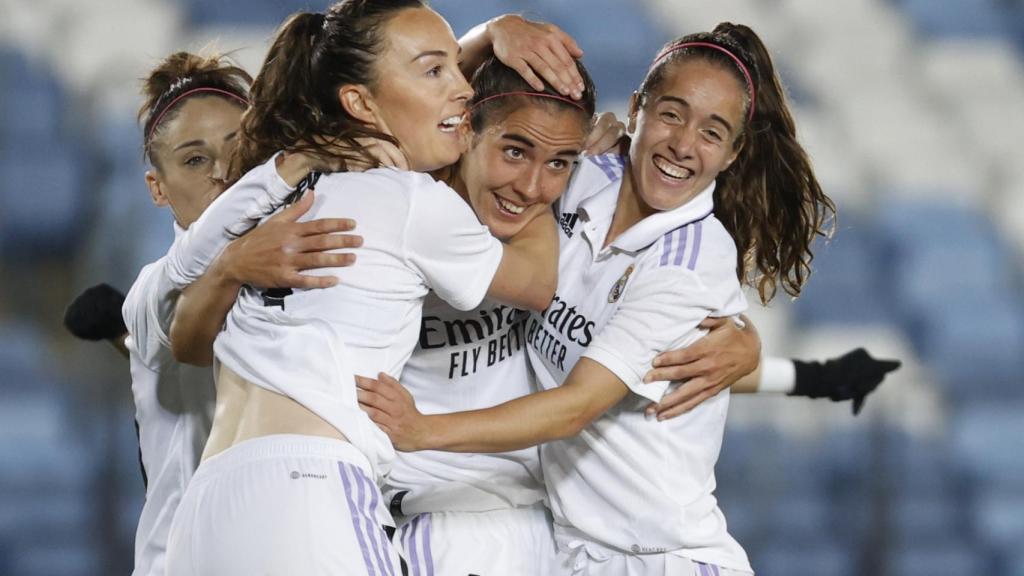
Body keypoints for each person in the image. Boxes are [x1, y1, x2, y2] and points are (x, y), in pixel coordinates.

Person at [359, 22, 838, 575]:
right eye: (671, 113)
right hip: (573, 549)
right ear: (635, 109)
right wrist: (488, 37)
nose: (682, 144)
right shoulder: (580, 172)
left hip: (662, 558)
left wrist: (422, 431)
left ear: (733, 154)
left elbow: (577, 406)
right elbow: (444, 122)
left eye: (712, 132)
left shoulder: (690, 263)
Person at [159, 2, 580, 574]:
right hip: (308, 487)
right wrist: (543, 180)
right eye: (436, 71)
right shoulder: (410, 201)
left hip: (208, 505)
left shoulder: (280, 181)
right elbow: (535, 283)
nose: (463, 90)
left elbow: (185, 269)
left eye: (458, 67)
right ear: (357, 103)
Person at [119, 51, 363, 576]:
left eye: (237, 147)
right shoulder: (148, 292)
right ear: (156, 188)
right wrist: (233, 264)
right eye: (193, 159)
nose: (224, 172)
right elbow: (192, 303)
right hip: (186, 559)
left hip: (298, 539)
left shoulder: (305, 256)